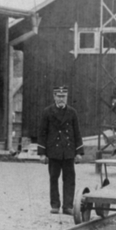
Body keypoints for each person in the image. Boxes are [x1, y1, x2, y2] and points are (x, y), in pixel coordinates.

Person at [36, 85, 84, 215]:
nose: (61, 99)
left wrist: (79, 152)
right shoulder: (47, 112)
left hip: (68, 152)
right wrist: (42, 154)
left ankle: (68, 206)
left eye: (63, 96)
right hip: (53, 152)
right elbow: (42, 133)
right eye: (59, 96)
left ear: (67, 97)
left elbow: (77, 133)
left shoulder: (72, 112)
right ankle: (55, 205)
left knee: (69, 180)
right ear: (54, 96)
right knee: (53, 179)